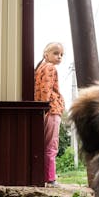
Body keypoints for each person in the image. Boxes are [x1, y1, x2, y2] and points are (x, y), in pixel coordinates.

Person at [34, 42, 65, 187]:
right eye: (56, 53)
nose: (59, 56)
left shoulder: (40, 68)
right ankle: (51, 179)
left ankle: (46, 176)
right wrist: (45, 108)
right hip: (51, 110)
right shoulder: (50, 67)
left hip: (47, 110)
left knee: (46, 145)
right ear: (46, 54)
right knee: (52, 146)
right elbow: (46, 90)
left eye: (61, 54)